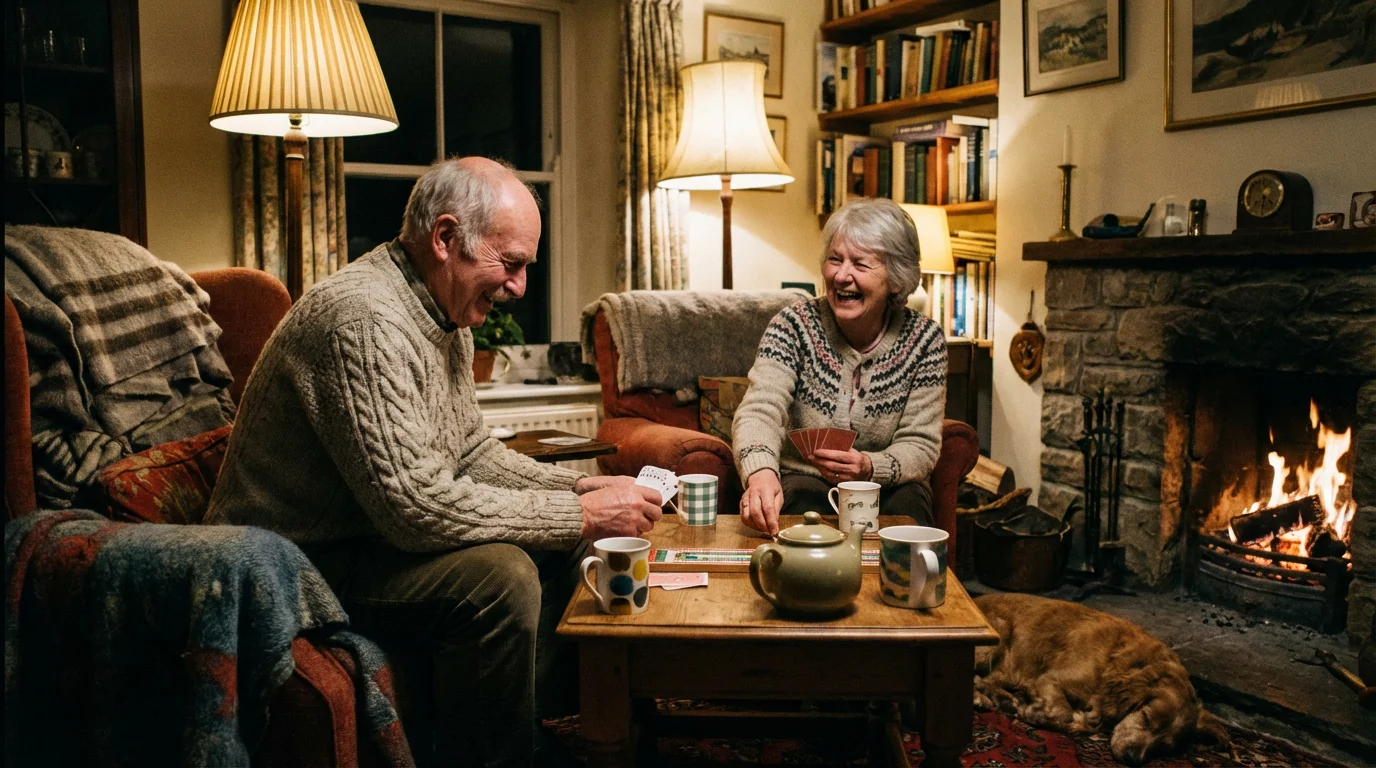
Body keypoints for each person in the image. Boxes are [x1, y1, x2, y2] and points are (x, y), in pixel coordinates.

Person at [205, 157, 663, 766]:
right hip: (294, 563)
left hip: (365, 540)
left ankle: (526, 723)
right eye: (513, 263)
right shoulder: (363, 319)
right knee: (501, 574)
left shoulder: (444, 316)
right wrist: (577, 514)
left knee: (578, 545)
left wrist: (583, 486)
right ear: (445, 239)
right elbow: (414, 507)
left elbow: (471, 454)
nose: (521, 287)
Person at [732, 197, 946, 536]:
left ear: (896, 278)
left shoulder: (924, 340)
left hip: (882, 483)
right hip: (802, 477)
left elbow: (920, 443)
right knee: (801, 501)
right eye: (835, 260)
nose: (842, 276)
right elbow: (760, 409)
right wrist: (760, 471)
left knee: (909, 508)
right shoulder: (793, 326)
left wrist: (869, 466)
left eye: (860, 264)